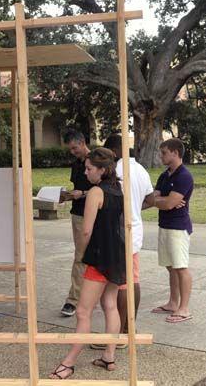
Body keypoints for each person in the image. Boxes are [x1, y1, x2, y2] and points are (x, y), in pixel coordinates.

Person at [49, 147, 126, 380]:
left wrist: (82, 255)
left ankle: (69, 363)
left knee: (83, 311)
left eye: (89, 168)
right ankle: (109, 356)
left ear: (102, 170)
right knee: (110, 305)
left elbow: (86, 230)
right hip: (116, 254)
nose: (86, 171)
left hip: (99, 257)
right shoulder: (118, 189)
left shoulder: (96, 192)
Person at [91, 134, 155, 350]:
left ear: (114, 152)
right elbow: (151, 199)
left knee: (117, 285)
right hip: (135, 231)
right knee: (132, 280)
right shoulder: (141, 170)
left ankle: (117, 334)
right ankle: (128, 328)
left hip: (117, 233)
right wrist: (135, 209)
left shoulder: (115, 172)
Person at [151, 138, 195, 324]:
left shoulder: (184, 176)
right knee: (171, 267)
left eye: (164, 153)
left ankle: (184, 308)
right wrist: (164, 201)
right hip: (165, 226)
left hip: (178, 227)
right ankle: (173, 302)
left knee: (180, 267)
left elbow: (168, 203)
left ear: (175, 153)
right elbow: (153, 200)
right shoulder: (164, 176)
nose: (161, 156)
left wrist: (165, 201)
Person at [60, 129, 93, 317]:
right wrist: (67, 195)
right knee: (81, 257)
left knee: (96, 257)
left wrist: (84, 194)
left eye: (74, 148)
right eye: (70, 149)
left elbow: (105, 189)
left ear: (82, 142)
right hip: (79, 215)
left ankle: (88, 297)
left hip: (97, 215)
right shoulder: (76, 164)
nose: (73, 152)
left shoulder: (98, 159)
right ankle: (74, 299)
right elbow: (77, 189)